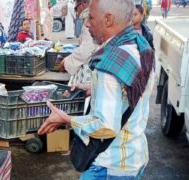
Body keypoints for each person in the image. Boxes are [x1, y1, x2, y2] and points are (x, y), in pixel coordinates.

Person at [39, 0, 155, 179]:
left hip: (110, 166)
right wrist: (94, 88)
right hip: (135, 155)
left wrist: (67, 119)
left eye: (91, 18)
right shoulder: (140, 46)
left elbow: (105, 126)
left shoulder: (110, 63)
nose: (86, 23)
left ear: (108, 19)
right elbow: (131, 90)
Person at [59, 0, 98, 86]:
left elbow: (86, 50)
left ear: (84, 3)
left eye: (76, 8)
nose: (76, 12)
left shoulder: (91, 20)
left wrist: (67, 62)